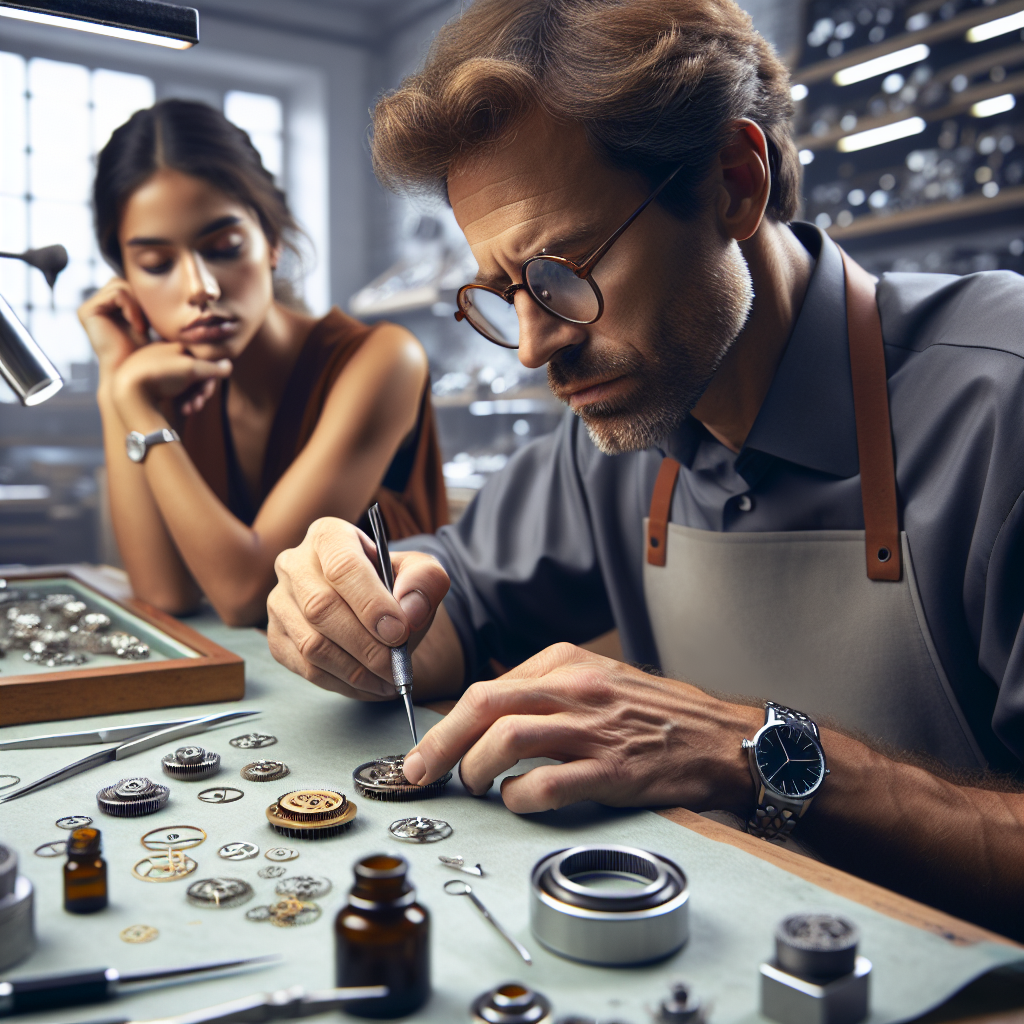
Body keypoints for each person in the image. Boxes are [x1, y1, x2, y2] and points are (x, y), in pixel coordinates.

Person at [265, 0, 1024, 938]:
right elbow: (451, 599)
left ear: (734, 184)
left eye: (563, 272)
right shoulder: (621, 439)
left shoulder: (1003, 407)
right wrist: (361, 614)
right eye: (507, 295)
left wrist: (747, 752)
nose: (534, 350)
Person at [80, 100, 447, 627]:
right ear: (126, 281)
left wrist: (131, 401)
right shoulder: (168, 387)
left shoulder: (383, 359)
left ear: (271, 242)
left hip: (410, 688)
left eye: (225, 247)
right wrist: (116, 379)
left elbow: (246, 593)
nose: (199, 289)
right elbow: (165, 594)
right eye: (156, 264)